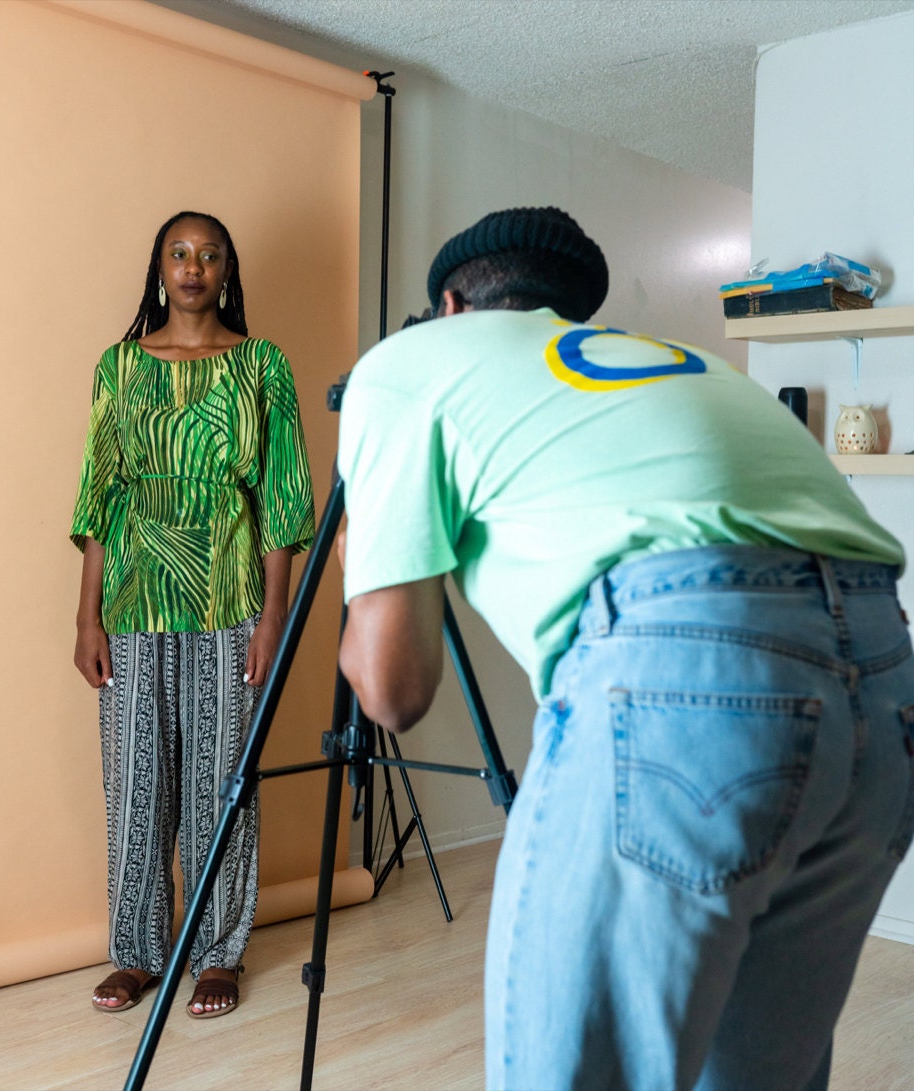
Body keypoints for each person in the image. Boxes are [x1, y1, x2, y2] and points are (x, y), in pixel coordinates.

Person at [335, 206, 914, 1089]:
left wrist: (365, 559)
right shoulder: (687, 366)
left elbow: (391, 690)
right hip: (883, 680)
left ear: (450, 307)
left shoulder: (405, 363)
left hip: (691, 677)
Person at [71, 210, 314, 1019]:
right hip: (134, 599)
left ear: (227, 270)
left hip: (230, 597)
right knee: (136, 778)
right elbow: (101, 494)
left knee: (221, 782)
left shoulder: (262, 365)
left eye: (209, 254)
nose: (193, 265)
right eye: (179, 252)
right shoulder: (118, 367)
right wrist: (86, 618)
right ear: (159, 267)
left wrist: (275, 616)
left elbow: (281, 498)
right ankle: (138, 953)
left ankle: (218, 953)